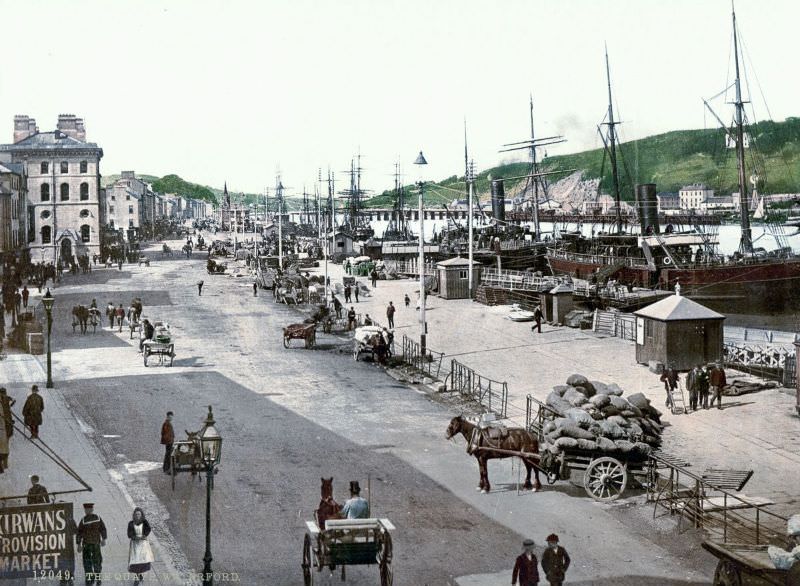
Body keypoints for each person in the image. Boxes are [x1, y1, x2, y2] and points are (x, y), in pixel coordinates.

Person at [76, 503, 107, 585]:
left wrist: (104, 539)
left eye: (89, 509)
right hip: (86, 545)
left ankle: (98, 578)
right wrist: (79, 544)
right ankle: (89, 579)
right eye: (86, 510)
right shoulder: (83, 521)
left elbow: (103, 529)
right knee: (87, 563)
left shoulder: (98, 518)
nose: (87, 511)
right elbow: (79, 533)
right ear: (85, 511)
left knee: (97, 561)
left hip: (96, 544)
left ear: (92, 510)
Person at [127, 507, 154, 585]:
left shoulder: (144, 522)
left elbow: (148, 529)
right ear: (134, 515)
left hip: (143, 544)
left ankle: (140, 574)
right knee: (135, 561)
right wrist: (134, 537)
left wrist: (144, 535)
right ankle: (137, 577)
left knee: (142, 560)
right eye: (136, 514)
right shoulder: (131, 523)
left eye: (139, 514)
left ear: (141, 515)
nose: (137, 516)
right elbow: (129, 534)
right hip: (135, 545)